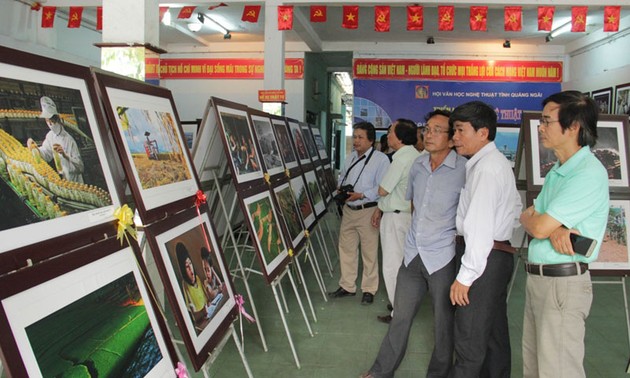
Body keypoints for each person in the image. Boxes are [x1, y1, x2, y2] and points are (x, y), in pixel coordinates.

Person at [362, 109, 466, 378]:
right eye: (427, 129)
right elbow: (412, 204)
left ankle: (438, 374)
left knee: (443, 324)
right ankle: (380, 371)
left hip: (441, 257)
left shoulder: (464, 170)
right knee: (400, 318)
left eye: (436, 130)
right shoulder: (418, 165)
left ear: (452, 138)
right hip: (412, 256)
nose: (428, 135)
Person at [519, 91, 609, 378]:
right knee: (535, 368)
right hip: (541, 280)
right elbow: (527, 216)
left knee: (558, 370)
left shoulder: (587, 173)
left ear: (573, 127)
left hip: (562, 284)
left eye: (547, 121)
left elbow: (538, 225)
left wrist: (545, 225)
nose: (541, 127)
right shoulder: (560, 170)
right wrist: (548, 226)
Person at [449, 101, 522, 377]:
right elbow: (514, 210)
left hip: (483, 259)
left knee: (469, 339)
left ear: (483, 133)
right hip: (495, 256)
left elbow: (478, 227)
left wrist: (465, 276)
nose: (455, 137)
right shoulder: (492, 163)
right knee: (493, 337)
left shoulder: (486, 169)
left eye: (460, 130)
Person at [329, 121, 390, 305]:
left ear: (371, 140)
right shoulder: (350, 157)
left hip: (368, 209)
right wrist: (342, 189)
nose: (356, 141)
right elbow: (343, 177)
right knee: (346, 248)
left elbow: (381, 188)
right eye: (354, 136)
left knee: (369, 251)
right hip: (349, 210)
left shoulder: (381, 160)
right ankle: (347, 285)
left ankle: (369, 289)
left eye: (360, 137)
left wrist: (361, 195)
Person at [370, 119, 419, 323]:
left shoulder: (400, 159)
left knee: (392, 265)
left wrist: (379, 204)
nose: (388, 135)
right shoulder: (417, 156)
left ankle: (398, 311)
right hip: (408, 216)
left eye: (390, 132)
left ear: (399, 138)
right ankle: (401, 303)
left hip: (396, 217)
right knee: (404, 263)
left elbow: (383, 189)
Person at [27, 96, 84, 183]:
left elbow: (80, 168)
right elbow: (46, 154)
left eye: (51, 120)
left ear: (57, 118)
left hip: (74, 181)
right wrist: (35, 148)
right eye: (47, 121)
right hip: (62, 180)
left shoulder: (69, 140)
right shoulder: (50, 136)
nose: (49, 123)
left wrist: (65, 155)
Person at [176, 242, 209, 325]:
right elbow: (193, 310)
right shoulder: (185, 285)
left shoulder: (197, 278)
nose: (191, 270)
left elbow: (206, 297)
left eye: (190, 263)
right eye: (187, 266)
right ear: (183, 269)